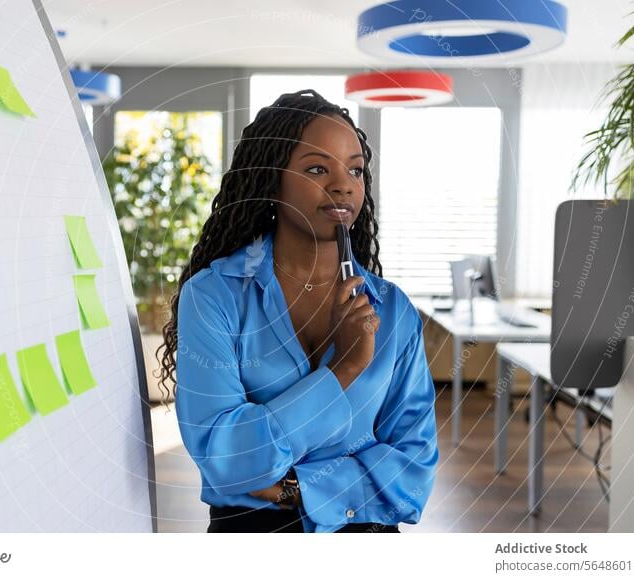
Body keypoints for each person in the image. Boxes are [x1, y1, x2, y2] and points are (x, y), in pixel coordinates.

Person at [157, 89, 439, 533]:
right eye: (316, 168)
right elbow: (224, 458)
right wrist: (343, 369)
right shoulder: (213, 297)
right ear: (272, 179)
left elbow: (414, 469)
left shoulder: (394, 310)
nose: (343, 184)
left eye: (355, 169)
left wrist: (297, 489)